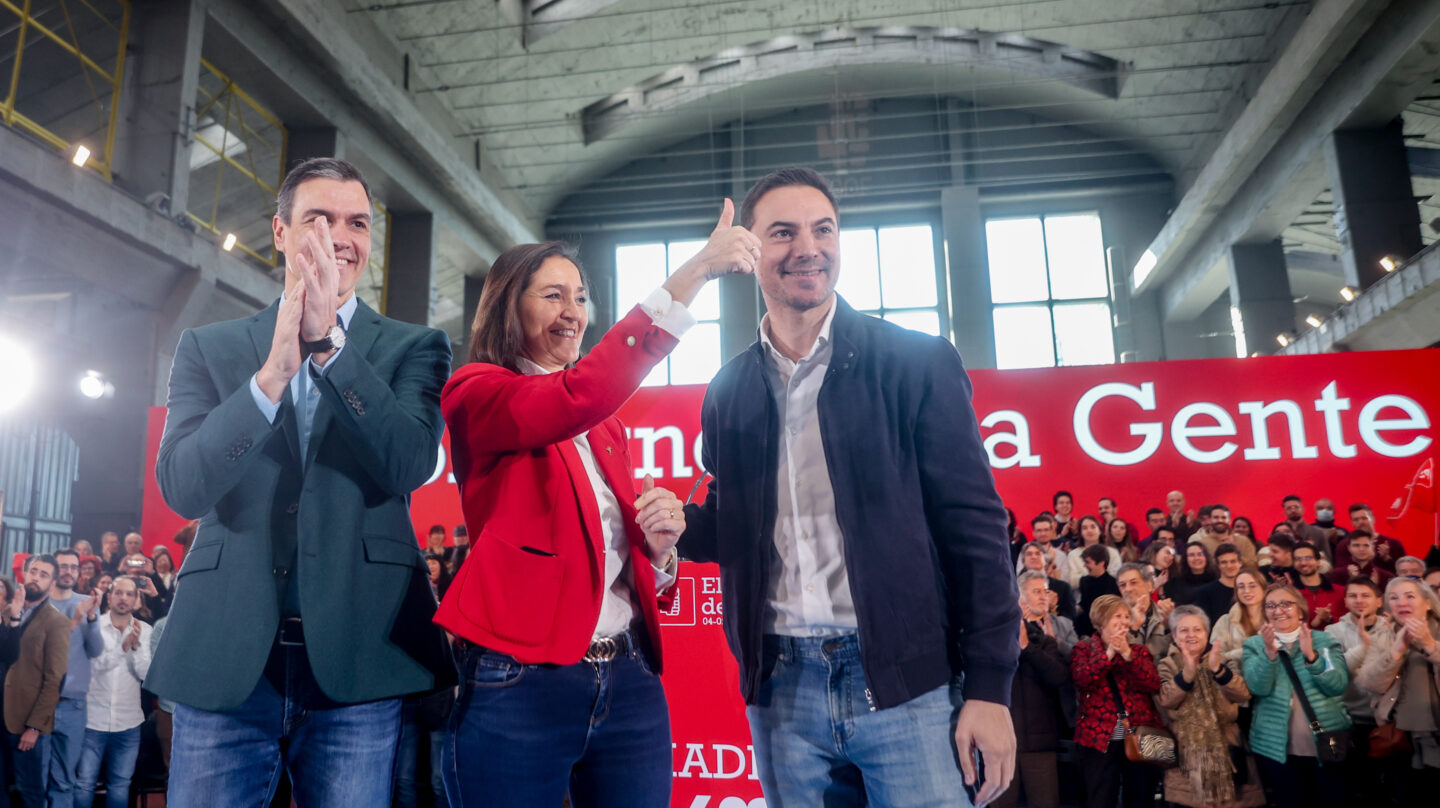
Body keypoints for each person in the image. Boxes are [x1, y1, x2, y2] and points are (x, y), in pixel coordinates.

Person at [677, 167, 1020, 806]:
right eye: (783, 233)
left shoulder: (917, 363)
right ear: (750, 253)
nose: (808, 247)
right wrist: (678, 526)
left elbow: (977, 532)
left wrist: (990, 689)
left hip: (907, 683)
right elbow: (734, 527)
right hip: (780, 690)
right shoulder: (729, 390)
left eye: (823, 229)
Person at [150, 157, 456, 806]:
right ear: (281, 232)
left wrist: (332, 352)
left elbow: (408, 465)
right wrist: (271, 379)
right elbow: (182, 487)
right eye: (319, 217)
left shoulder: (414, 347)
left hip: (357, 652)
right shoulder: (212, 347)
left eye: (357, 223)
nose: (340, 236)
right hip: (227, 651)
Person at [435, 224, 745, 807]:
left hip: (627, 680)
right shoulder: (477, 392)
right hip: (522, 681)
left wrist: (660, 548)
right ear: (507, 306)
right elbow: (574, 396)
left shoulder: (606, 425)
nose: (572, 311)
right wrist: (694, 274)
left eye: (579, 296)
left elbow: (627, 567)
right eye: (552, 295)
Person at [1241, 583, 1350, 808]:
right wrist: (1269, 654)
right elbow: (1257, 688)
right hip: (1274, 748)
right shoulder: (1254, 645)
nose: (1278, 610)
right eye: (1271, 605)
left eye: (1286, 604)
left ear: (1300, 610)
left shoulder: (1324, 641)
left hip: (1326, 743)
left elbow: (1337, 684)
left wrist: (1312, 657)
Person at [1156, 606, 1264, 808]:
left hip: (1229, 750)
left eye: (1197, 630)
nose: (1191, 635)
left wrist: (1217, 669)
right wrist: (1187, 673)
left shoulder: (1223, 660)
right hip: (1186, 757)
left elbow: (1242, 693)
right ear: (1174, 635)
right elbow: (1167, 700)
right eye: (1184, 630)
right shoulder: (1167, 664)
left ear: (1207, 633)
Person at [1070, 594, 1163, 808]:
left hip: (1140, 736)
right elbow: (1082, 679)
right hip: (1098, 739)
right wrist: (1109, 654)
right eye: (1116, 616)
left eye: (1126, 616)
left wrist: (1128, 655)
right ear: (1101, 620)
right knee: (1100, 798)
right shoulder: (1083, 649)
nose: (1123, 621)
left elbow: (1153, 684)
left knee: (1141, 798)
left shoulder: (1139, 651)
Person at [1355, 576, 1440, 800]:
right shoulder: (1383, 635)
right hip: (1399, 735)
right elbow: (1368, 683)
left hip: (1436, 732)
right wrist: (1395, 652)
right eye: (1394, 598)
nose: (1401, 603)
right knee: (1406, 795)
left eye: (1409, 596)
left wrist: (1431, 645)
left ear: (1428, 602)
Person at [995, 572, 1074, 808]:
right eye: (1036, 591)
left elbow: (1058, 677)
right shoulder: (995, 638)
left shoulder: (1045, 641)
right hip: (1001, 742)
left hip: (1040, 743)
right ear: (1019, 599)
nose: (1043, 596)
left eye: (1045, 591)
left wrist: (1028, 648)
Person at [73, 576, 151, 808]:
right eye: (119, 593)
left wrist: (135, 649)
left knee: (120, 784)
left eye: (129, 594)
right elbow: (91, 667)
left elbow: (146, 674)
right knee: (84, 783)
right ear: (109, 597)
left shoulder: (144, 630)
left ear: (136, 599)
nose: (124, 598)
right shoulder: (93, 624)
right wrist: (122, 647)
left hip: (128, 723)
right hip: (93, 721)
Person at [0, 555, 71, 808]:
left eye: (43, 575)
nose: (36, 577)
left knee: (30, 791)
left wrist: (34, 727)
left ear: (52, 584)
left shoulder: (57, 622)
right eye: (33, 571)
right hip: (0, 713)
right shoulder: (7, 613)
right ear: (24, 574)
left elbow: (55, 679)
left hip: (26, 721)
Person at [1323, 576, 1392, 804]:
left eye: (1365, 595)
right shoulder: (1332, 632)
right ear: (1345, 600)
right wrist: (1362, 649)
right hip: (1346, 719)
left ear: (1379, 601)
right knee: (1347, 787)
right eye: (1353, 595)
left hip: (1383, 719)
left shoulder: (1392, 630)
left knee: (1382, 789)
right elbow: (1332, 673)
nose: (1359, 601)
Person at [45, 548, 103, 808]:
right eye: (63, 566)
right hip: (39, 704)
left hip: (73, 705)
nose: (69, 571)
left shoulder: (86, 602)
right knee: (36, 780)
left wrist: (91, 617)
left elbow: (96, 650)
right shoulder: (38, 603)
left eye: (73, 567)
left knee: (65, 781)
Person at [1212, 567, 1267, 665]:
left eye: (1252, 586)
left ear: (1263, 588)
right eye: (1241, 587)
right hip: (1235, 675)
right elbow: (1217, 657)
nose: (1247, 591)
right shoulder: (1225, 621)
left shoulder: (1276, 618)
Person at [1117, 563, 1172, 659]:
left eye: (1133, 582)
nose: (1128, 589)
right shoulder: (1115, 620)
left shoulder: (1165, 614)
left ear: (1149, 586)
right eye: (1122, 585)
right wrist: (1133, 628)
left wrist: (1171, 627)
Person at [1333, 504, 1406, 571]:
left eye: (1364, 518)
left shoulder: (1393, 544)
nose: (1361, 522)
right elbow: (1340, 573)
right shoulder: (1344, 545)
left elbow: (1403, 573)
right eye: (1356, 519)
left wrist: (1387, 559)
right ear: (1352, 523)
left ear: (1373, 519)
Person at [1018, 544, 1076, 622]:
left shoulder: (1063, 587)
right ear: (1023, 561)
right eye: (1029, 554)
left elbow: (1071, 619)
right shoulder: (1015, 587)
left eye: (1038, 553)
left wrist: (1053, 609)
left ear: (1046, 560)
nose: (1034, 557)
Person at [1291, 542, 1343, 627]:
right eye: (1298, 559)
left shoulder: (1340, 591)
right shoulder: (1289, 593)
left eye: (1308, 558)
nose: (1303, 563)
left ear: (1318, 562)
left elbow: (1350, 622)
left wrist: (1330, 618)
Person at [1077, 544, 1121, 638]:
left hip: (1106, 629)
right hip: (1085, 628)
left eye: (1088, 562)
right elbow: (1084, 605)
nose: (1085, 565)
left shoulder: (1114, 585)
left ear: (1101, 563)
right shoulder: (1084, 581)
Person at [1066, 515, 1122, 589]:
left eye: (1093, 527)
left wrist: (1092, 575)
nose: (1089, 530)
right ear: (1081, 533)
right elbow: (1072, 581)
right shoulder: (1073, 554)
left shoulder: (1112, 552)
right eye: (1085, 528)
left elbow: (1117, 576)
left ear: (1100, 530)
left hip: (1108, 596)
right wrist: (1097, 574)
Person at [1195, 543, 1244, 626]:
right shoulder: (1205, 592)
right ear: (1218, 565)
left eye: (1233, 561)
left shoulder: (1249, 590)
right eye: (1224, 562)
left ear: (1240, 563)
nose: (1229, 566)